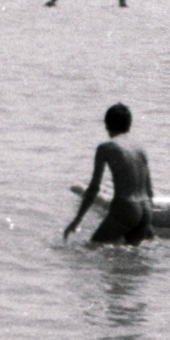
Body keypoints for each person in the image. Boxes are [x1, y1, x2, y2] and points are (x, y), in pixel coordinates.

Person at [64, 102, 154, 245]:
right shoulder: (140, 147)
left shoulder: (106, 148)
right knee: (128, 262)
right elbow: (149, 190)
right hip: (146, 209)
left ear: (106, 125)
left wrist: (77, 219)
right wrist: (146, 222)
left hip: (126, 209)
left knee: (91, 249)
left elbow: (94, 188)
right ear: (129, 124)